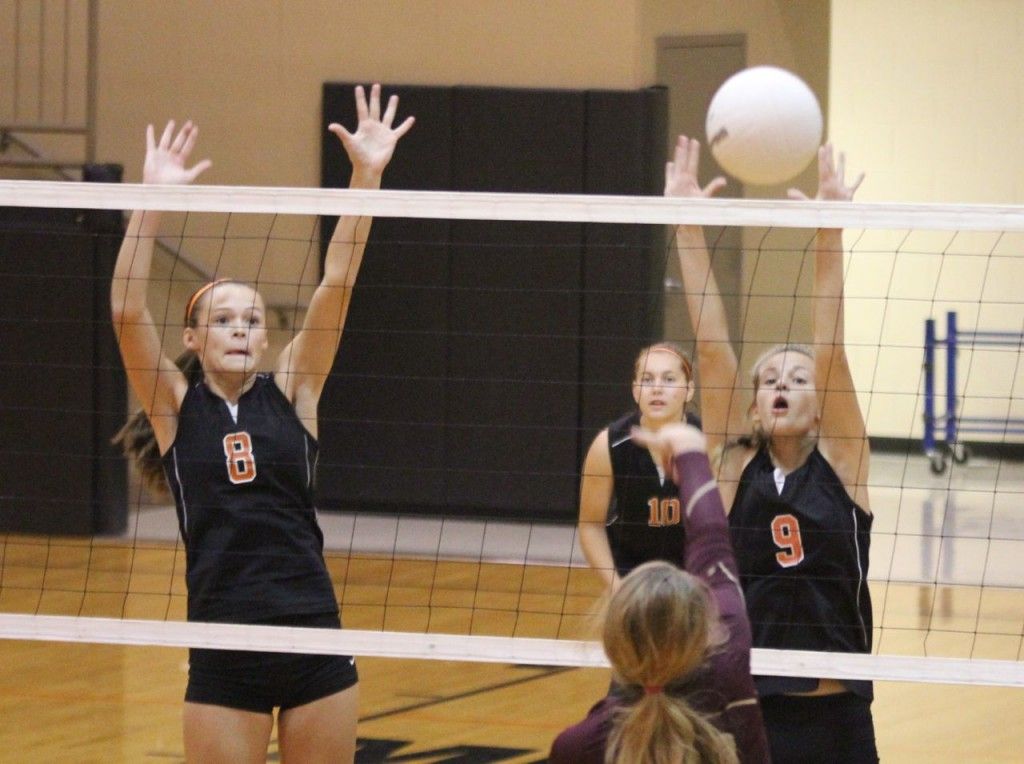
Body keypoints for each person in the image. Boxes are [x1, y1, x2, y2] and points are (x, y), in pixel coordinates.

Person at [110, 84, 413, 763]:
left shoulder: (297, 388)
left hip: (313, 638)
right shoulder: (175, 410)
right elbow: (128, 313)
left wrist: (366, 177)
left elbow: (338, 282)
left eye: (251, 318)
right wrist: (153, 200)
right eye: (223, 319)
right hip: (224, 648)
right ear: (192, 336)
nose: (241, 328)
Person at [666, 135, 878, 762]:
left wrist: (827, 228)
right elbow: (712, 351)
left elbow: (832, 352)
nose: (782, 384)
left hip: (836, 711)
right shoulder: (733, 469)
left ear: (820, 403)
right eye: (769, 380)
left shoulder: (844, 468)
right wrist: (686, 224)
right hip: (746, 708)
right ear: (754, 406)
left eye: (797, 377)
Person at [551, 423, 770, 764]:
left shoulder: (579, 747)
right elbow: (713, 545)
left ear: (615, 643)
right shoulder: (728, 668)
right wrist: (691, 455)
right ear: (702, 633)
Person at [578, 342, 701, 591]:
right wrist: (617, 588)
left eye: (668, 379)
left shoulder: (707, 442)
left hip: (695, 578)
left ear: (689, 390)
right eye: (647, 379)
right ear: (635, 391)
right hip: (632, 577)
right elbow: (590, 525)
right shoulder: (609, 444)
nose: (656, 388)